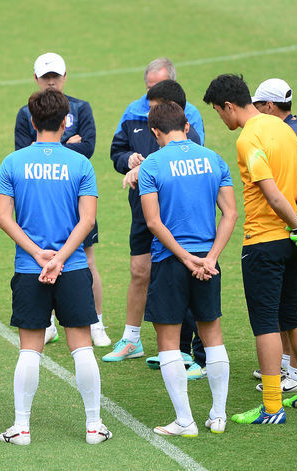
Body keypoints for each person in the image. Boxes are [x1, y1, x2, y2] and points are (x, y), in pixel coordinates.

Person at [203, 74, 297, 424]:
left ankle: (272, 407)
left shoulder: (249, 138)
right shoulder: (283, 129)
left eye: (218, 112)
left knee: (265, 323)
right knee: (293, 313)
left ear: (229, 106)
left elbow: (271, 193)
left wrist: (295, 226)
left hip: (263, 242)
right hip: (293, 242)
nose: (221, 118)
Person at [0, 89, 112, 445]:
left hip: (30, 268)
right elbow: (87, 220)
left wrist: (38, 255)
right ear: (65, 122)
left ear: (32, 121)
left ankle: (21, 428)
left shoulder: (12, 162)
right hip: (72, 268)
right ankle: (94, 426)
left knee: (30, 349)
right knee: (82, 347)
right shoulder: (80, 164)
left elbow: (3, 217)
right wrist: (60, 258)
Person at [138, 101, 236, 436]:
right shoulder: (214, 159)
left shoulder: (152, 165)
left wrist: (183, 257)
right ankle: (218, 416)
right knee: (213, 336)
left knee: (168, 340)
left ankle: (185, 421)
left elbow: (153, 222)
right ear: (187, 126)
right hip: (208, 261)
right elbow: (230, 213)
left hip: (170, 260)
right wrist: (210, 258)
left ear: (155, 131)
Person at [105, 70, 204, 366]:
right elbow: (116, 153)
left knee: (179, 274)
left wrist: (145, 167)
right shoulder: (133, 113)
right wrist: (128, 161)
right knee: (139, 271)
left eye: (153, 103)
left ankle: (187, 351)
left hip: (173, 213)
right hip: (142, 208)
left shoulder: (189, 123)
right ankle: (132, 339)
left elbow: (186, 158)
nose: (147, 111)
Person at [14, 52, 109, 347]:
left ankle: (96, 321)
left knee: (86, 261)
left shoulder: (81, 107)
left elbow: (88, 147)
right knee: (42, 256)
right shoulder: (25, 113)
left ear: (65, 77)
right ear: (36, 79)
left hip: (74, 198)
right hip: (41, 199)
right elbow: (23, 150)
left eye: (56, 76)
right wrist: (68, 144)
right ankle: (49, 322)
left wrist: (52, 146)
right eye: (46, 77)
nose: (51, 82)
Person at [251, 78, 297, 393]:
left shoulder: (288, 135)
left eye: (257, 104)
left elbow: (291, 186)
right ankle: (283, 362)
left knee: (294, 300)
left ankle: (294, 373)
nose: (254, 110)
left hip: (296, 222)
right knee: (286, 298)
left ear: (269, 105)